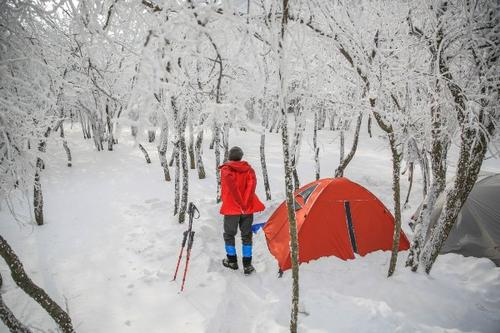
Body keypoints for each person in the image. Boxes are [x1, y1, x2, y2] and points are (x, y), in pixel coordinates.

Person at [219, 146, 265, 275]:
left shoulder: (226, 170)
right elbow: (251, 186)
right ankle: (247, 265)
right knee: (246, 235)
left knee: (229, 235)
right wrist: (244, 204)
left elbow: (232, 187)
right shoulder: (249, 170)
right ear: (241, 156)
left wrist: (239, 203)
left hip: (231, 209)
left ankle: (232, 261)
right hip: (247, 209)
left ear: (229, 156)